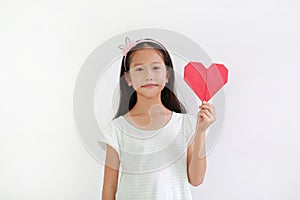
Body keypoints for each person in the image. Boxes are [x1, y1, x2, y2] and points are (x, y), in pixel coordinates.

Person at [101, 38, 216, 200]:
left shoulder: (186, 125)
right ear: (128, 78)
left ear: (167, 74)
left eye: (156, 68)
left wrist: (201, 131)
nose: (149, 76)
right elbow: (109, 188)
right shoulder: (117, 129)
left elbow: (196, 179)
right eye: (139, 69)